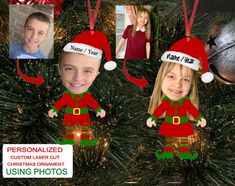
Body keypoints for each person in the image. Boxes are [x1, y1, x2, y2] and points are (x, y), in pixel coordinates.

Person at [146, 37, 214, 160]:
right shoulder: (166, 102)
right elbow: (160, 110)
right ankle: (167, 152)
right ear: (160, 77)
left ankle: (185, 152)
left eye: (186, 79)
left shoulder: (186, 103)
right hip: (170, 124)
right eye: (171, 76)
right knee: (169, 138)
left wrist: (199, 118)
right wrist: (153, 118)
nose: (178, 85)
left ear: (192, 85)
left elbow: (192, 111)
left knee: (183, 138)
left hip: (183, 123)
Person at [48, 30, 116, 145]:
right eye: (69, 69)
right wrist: (54, 109)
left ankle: (85, 139)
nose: (78, 78)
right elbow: (61, 102)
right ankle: (68, 138)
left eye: (88, 71)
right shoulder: (67, 96)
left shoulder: (86, 96)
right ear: (59, 70)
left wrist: (98, 109)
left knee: (84, 126)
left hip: (83, 115)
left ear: (96, 75)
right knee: (69, 126)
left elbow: (92, 102)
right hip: (70, 115)